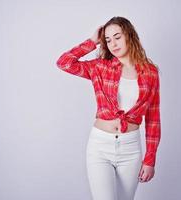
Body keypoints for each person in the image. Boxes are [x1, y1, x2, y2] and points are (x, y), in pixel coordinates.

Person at [56, 16, 161, 200]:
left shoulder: (150, 72)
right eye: (108, 39)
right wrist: (91, 42)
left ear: (129, 35)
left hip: (131, 149)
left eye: (117, 37)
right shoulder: (100, 67)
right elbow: (64, 63)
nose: (113, 43)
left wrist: (150, 159)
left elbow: (153, 119)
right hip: (100, 146)